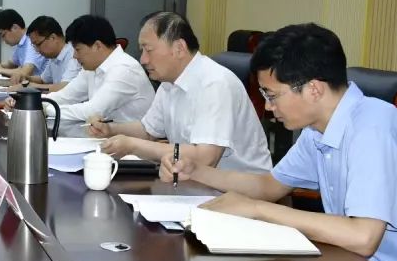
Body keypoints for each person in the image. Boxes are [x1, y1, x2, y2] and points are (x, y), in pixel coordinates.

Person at [165, 23, 397, 261]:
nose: (268, 107)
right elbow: (269, 186)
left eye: (272, 95)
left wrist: (256, 210)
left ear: (313, 89)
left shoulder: (372, 129)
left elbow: (363, 237)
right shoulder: (318, 130)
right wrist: (196, 170)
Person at [90, 11, 271, 173]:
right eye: (141, 51)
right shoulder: (168, 83)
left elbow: (206, 158)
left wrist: (132, 146)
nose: (143, 59)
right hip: (193, 182)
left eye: (148, 50)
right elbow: (148, 130)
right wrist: (110, 129)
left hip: (240, 190)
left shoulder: (214, 84)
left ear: (179, 48)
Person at [40, 15, 154, 124]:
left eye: (78, 49)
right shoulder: (91, 67)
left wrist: (47, 109)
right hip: (108, 133)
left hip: (131, 136)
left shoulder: (124, 69)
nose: (74, 56)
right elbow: (67, 96)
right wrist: (38, 102)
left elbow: (93, 111)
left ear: (97, 46)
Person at [4, 15, 80, 92]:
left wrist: (31, 86)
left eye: (38, 44)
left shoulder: (73, 55)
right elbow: (43, 80)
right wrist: (26, 78)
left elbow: (65, 87)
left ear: (52, 38)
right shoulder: (53, 57)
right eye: (34, 46)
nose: (37, 50)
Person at [0, 9, 46, 80]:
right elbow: (12, 64)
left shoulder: (31, 42)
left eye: (3, 35)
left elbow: (25, 73)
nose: (3, 40)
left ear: (14, 27)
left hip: (42, 85)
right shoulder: (21, 43)